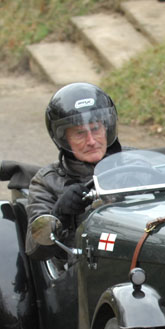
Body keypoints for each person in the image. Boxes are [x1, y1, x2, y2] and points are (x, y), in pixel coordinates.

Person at [27, 83, 122, 251]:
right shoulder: (46, 182)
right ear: (64, 139)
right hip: (80, 266)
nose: (91, 141)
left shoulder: (137, 162)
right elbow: (35, 248)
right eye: (80, 133)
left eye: (95, 129)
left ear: (107, 128)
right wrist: (60, 214)